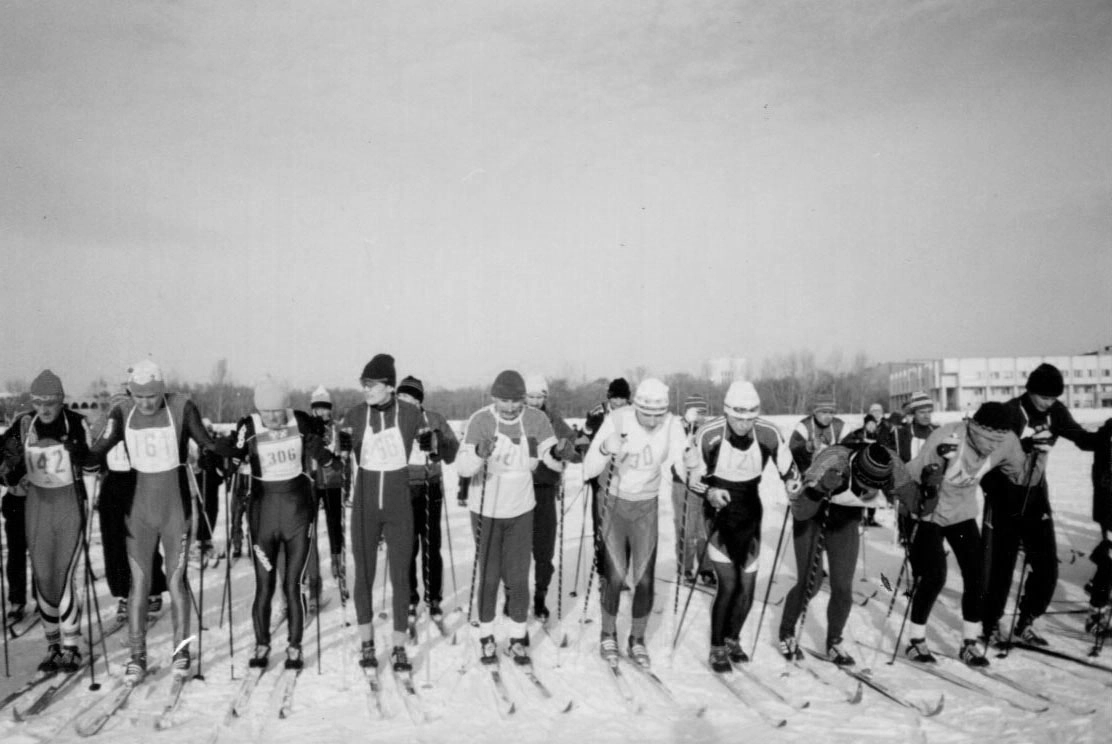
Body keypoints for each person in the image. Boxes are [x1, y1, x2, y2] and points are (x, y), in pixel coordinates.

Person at [88, 359, 229, 684]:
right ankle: (136, 657)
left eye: (152, 396)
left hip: (175, 510)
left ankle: (181, 651)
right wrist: (83, 456)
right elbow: (100, 448)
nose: (147, 403)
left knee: (176, 582)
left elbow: (206, 441)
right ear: (131, 393)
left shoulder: (181, 406)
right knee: (139, 584)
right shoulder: (122, 411)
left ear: (162, 391)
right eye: (140, 397)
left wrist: (220, 453)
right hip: (139, 511)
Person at [902, 401, 1043, 667]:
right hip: (929, 511)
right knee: (934, 577)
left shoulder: (1007, 441)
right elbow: (910, 473)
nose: (991, 446)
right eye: (985, 438)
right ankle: (915, 640)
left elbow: (1023, 478)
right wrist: (934, 468)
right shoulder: (947, 435)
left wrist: (1040, 454)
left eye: (996, 440)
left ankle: (969, 643)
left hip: (962, 513)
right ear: (972, 427)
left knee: (977, 576)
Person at [980, 364, 1111, 647]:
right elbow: (990, 455)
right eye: (1044, 397)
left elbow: (1082, 439)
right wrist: (1026, 445)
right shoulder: (1011, 412)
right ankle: (989, 624)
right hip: (1004, 494)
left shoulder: (1056, 411)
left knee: (1047, 566)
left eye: (1053, 398)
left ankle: (1026, 619)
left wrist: (1107, 432)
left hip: (1036, 494)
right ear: (1030, 391)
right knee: (1001, 568)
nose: (1049, 403)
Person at [683, 382, 801, 671]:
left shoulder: (769, 432)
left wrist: (792, 483)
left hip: (750, 508)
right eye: (738, 418)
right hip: (718, 507)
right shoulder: (709, 434)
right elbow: (692, 477)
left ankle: (733, 638)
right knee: (729, 584)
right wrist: (709, 493)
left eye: (750, 419)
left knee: (747, 585)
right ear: (726, 412)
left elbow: (789, 467)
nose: (744, 425)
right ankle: (717, 646)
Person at [230, 378, 337, 670]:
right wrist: (217, 456)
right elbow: (230, 455)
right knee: (264, 585)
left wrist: (324, 452)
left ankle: (295, 646)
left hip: (297, 514)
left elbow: (328, 450)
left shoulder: (300, 421)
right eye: (267, 412)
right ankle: (262, 643)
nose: (274, 418)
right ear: (258, 410)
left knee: (293, 584)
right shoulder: (249, 426)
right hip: (263, 514)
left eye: (279, 411)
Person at [582, 378, 687, 669]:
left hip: (646, 508)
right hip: (614, 505)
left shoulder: (672, 424)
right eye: (647, 414)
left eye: (659, 414)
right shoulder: (617, 420)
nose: (653, 421)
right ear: (636, 406)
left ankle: (637, 638)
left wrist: (690, 465)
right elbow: (588, 470)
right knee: (615, 576)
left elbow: (682, 466)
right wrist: (604, 448)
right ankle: (607, 633)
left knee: (644, 579)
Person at [455, 370, 558, 666]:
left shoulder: (536, 420)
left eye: (516, 401)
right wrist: (478, 452)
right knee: (489, 577)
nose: (510, 407)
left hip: (521, 510)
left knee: (517, 577)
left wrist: (562, 453)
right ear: (493, 398)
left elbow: (550, 456)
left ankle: (516, 638)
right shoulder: (481, 420)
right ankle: (486, 637)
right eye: (503, 400)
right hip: (486, 510)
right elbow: (463, 467)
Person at [339, 354, 426, 674]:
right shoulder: (355, 414)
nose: (366, 390)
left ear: (389, 386)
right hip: (364, 503)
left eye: (372, 385)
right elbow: (337, 451)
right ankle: (366, 641)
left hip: (399, 503)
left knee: (400, 575)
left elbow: (443, 448)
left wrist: (432, 442)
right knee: (364, 574)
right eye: (363, 384)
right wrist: (339, 445)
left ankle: (400, 644)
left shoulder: (411, 414)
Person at [0, 370, 92, 673]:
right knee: (43, 576)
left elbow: (94, 462)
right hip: (37, 508)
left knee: (63, 574)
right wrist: (10, 473)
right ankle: (53, 645)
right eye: (39, 402)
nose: (44, 409)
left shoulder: (76, 422)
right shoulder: (25, 424)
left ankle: (71, 647)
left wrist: (78, 452)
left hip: (69, 506)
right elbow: (3, 457)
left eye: (50, 402)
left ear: (60, 401)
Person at [776, 441, 890, 667]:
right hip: (813, 518)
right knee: (811, 580)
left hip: (845, 520)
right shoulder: (832, 458)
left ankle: (834, 641)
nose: (866, 487)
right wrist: (820, 489)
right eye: (863, 482)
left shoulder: (885, 466)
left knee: (842, 586)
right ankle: (787, 631)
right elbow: (799, 510)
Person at [92, 383, 168, 626]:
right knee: (113, 544)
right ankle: (124, 593)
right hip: (113, 484)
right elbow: (95, 453)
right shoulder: (105, 425)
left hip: (141, 482)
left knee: (145, 540)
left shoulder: (142, 423)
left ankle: (153, 590)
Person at [396, 376, 459, 624]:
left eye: (410, 398)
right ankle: (410, 597)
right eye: (400, 398)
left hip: (429, 485)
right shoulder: (392, 420)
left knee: (431, 545)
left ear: (419, 400)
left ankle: (433, 598)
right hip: (402, 487)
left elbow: (453, 452)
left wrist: (437, 442)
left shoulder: (434, 419)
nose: (404, 402)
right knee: (406, 547)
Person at [523, 374, 579, 621]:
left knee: (544, 549)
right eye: (530, 396)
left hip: (544, 489)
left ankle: (540, 595)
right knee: (516, 548)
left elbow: (574, 448)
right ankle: (514, 593)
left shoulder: (554, 420)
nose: (534, 401)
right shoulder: (516, 418)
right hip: (516, 489)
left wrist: (568, 450)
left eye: (539, 397)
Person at [306, 385, 349, 606]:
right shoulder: (307, 428)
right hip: (312, 484)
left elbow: (344, 457)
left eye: (325, 409)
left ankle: (338, 568)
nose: (322, 413)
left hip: (332, 483)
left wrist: (346, 481)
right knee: (309, 531)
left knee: (335, 528)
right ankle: (313, 581)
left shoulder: (337, 428)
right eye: (318, 409)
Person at [672, 394, 713, 586]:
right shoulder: (677, 429)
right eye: (698, 412)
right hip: (683, 483)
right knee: (687, 529)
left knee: (705, 528)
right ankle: (685, 567)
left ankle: (706, 568)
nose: (701, 417)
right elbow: (672, 457)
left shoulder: (709, 431)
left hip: (705, 484)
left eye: (704, 413)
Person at [0, 428, 29, 627]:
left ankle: (46, 596)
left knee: (42, 554)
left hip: (41, 502)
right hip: (15, 502)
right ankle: (17, 601)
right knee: (16, 553)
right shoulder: (7, 439)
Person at [1086, 422, 1112, 637]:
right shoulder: (1108, 436)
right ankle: (1096, 614)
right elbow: (1104, 479)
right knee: (1110, 562)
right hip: (1110, 508)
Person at [788, 393, 846, 474]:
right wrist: (809, 447)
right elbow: (792, 452)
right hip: (808, 473)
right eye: (824, 412)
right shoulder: (804, 426)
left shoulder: (840, 426)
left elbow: (852, 447)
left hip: (835, 474)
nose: (828, 416)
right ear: (815, 412)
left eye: (831, 413)